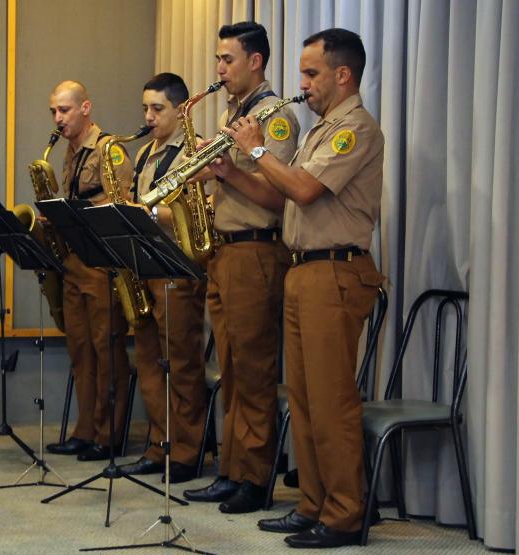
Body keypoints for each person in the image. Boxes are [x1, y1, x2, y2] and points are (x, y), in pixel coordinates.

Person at [224, 28, 385, 548]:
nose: (303, 84)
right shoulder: (321, 128)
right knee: (304, 398)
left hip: (334, 272)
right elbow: (285, 196)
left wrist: (253, 152)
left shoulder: (353, 128)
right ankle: (313, 503)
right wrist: (232, 168)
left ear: (343, 75)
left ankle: (343, 513)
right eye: (302, 73)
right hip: (303, 270)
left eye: (312, 73)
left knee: (331, 399)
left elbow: (305, 190)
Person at [181, 21, 299, 514]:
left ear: (256, 62)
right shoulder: (236, 113)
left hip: (256, 250)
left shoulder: (273, 118)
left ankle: (255, 478)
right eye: (216, 59)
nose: (218, 69)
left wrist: (227, 172)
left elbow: (277, 196)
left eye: (227, 59)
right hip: (225, 251)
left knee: (253, 370)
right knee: (229, 367)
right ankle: (232, 469)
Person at [115, 73, 207, 485]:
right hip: (145, 267)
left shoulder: (194, 150)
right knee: (151, 364)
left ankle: (186, 452)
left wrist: (145, 212)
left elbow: (197, 209)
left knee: (182, 364)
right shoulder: (147, 152)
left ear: (181, 109)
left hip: (177, 270)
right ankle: (159, 444)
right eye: (145, 109)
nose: (148, 117)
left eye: (158, 109)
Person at [44, 80, 134, 461]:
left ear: (85, 108)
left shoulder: (108, 149)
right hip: (74, 260)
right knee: (80, 350)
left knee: (106, 347)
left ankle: (109, 434)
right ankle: (86, 429)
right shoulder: (69, 150)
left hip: (102, 262)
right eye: (53, 112)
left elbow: (121, 200)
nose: (58, 118)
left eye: (64, 110)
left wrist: (77, 210)